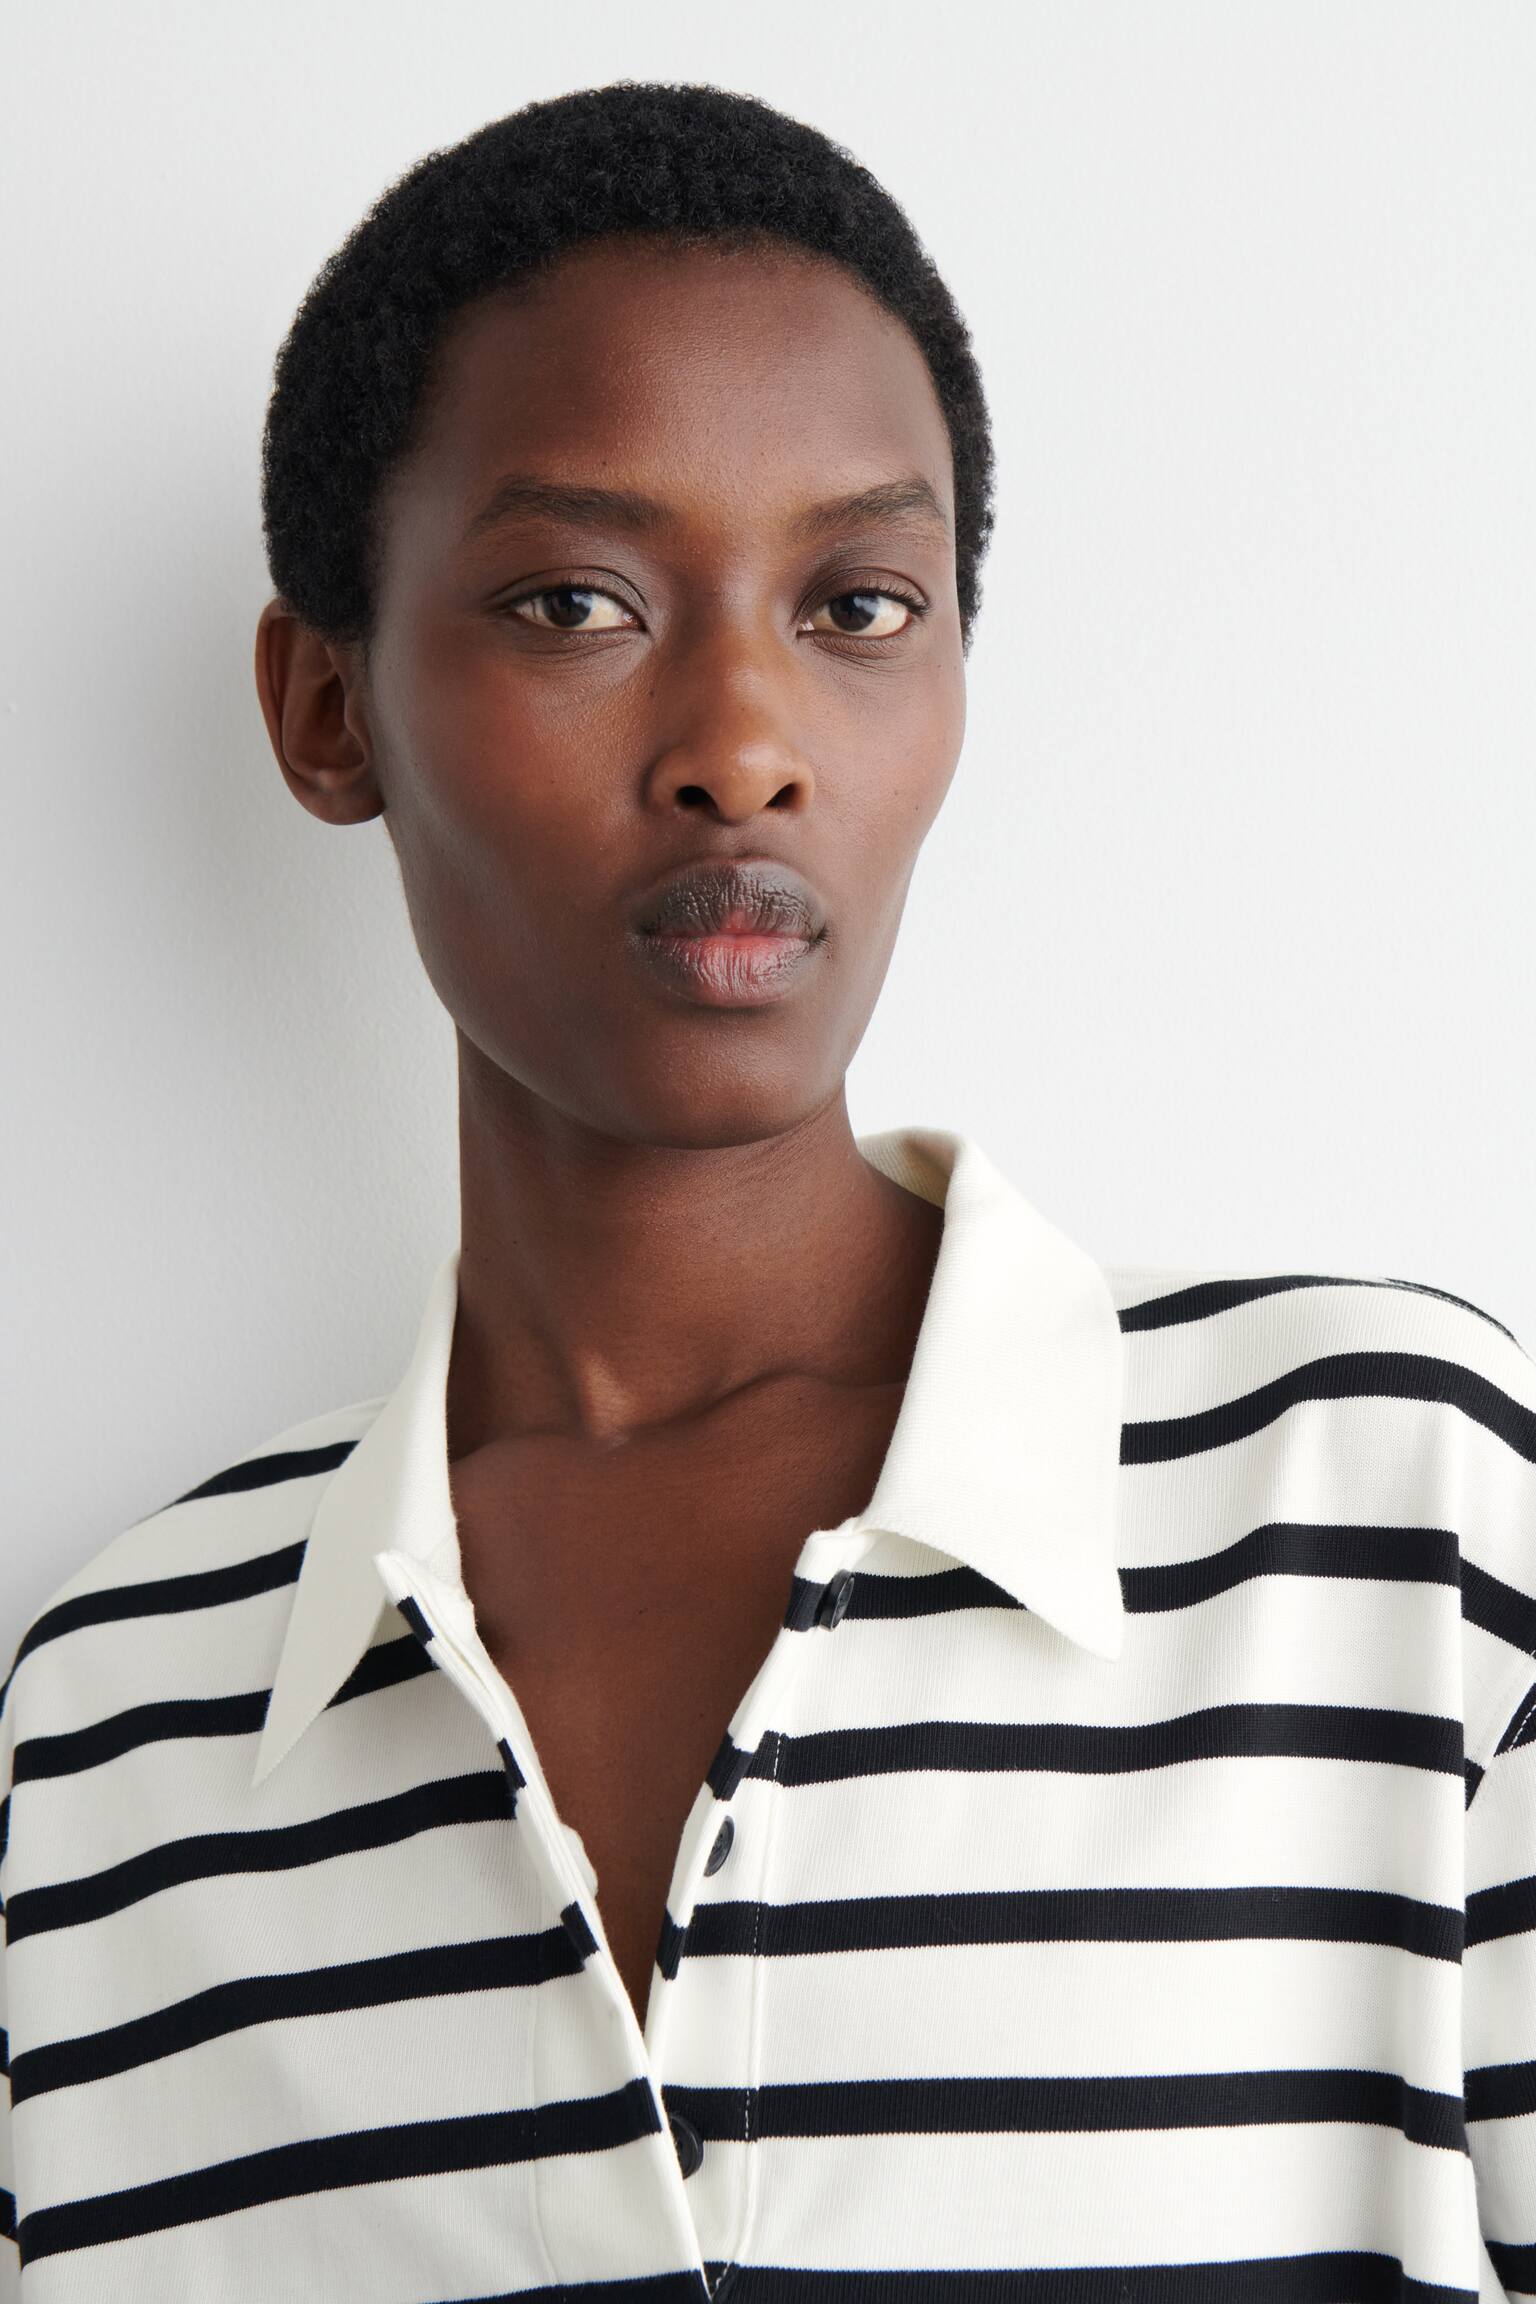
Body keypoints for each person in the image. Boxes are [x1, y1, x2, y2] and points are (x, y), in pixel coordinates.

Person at [2, 78, 1532, 2301]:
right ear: (330, 711)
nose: (744, 742)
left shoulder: (1394, 1522)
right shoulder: (106, 1749)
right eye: (576, 601)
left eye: (859, 604)